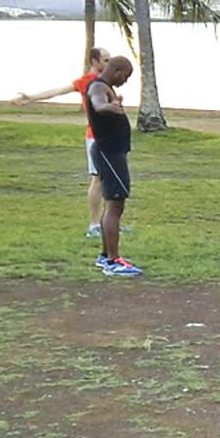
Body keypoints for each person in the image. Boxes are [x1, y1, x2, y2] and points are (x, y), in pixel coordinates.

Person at [13, 47, 113, 237]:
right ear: (94, 62)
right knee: (98, 179)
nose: (109, 63)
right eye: (106, 60)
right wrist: (31, 98)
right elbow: (58, 91)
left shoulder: (104, 81)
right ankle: (94, 225)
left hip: (109, 137)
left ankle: (110, 221)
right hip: (95, 137)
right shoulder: (85, 81)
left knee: (109, 179)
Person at [84, 57, 142, 277]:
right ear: (116, 70)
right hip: (109, 153)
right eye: (125, 77)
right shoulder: (98, 87)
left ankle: (104, 255)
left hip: (112, 152)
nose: (125, 81)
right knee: (115, 205)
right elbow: (98, 104)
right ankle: (113, 260)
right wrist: (111, 106)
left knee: (112, 204)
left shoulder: (104, 86)